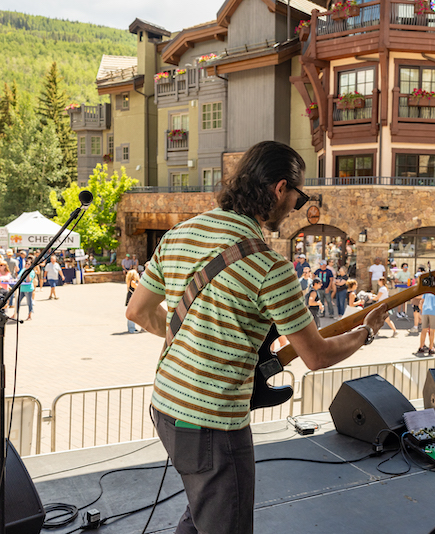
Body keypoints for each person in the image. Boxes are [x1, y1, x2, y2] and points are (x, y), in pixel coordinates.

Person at [125, 140, 387, 534]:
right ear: (281, 189)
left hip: (166, 407)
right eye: (298, 199)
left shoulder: (180, 234)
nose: (294, 208)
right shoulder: (268, 266)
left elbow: (137, 311)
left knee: (203, 510)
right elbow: (315, 356)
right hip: (212, 424)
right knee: (224, 520)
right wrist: (365, 332)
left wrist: (191, 340)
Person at [125, 269, 140, 333]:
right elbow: (139, 288)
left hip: (130, 297)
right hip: (133, 298)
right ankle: (132, 329)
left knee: (131, 313)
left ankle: (131, 328)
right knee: (132, 314)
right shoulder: (133, 282)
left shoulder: (129, 281)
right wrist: (139, 280)